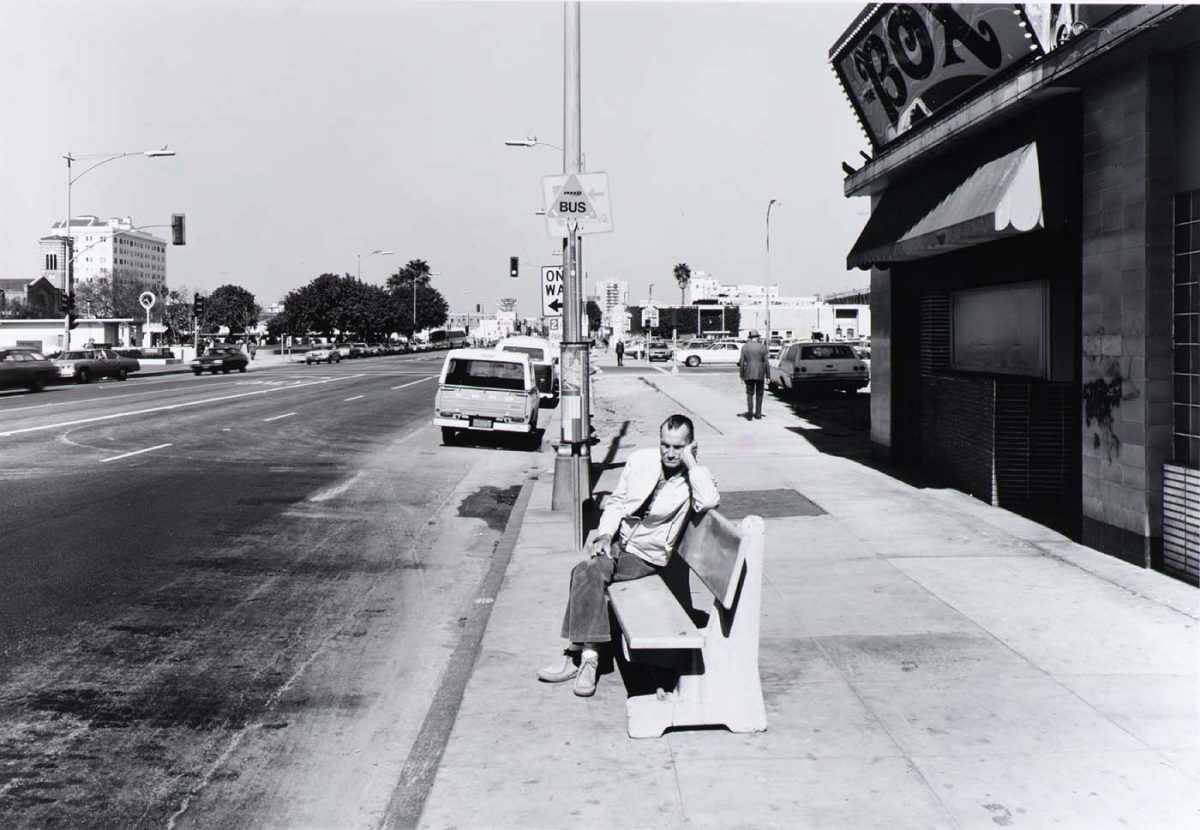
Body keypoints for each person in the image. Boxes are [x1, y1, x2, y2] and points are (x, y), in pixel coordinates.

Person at [537, 414, 720, 696]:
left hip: (646, 558)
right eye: (665, 445)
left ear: (690, 446)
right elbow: (618, 502)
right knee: (586, 571)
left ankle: (583, 656)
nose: (670, 453)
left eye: (678, 447)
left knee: (586, 572)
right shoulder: (640, 461)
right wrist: (605, 535)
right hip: (618, 544)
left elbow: (708, 500)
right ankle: (584, 654)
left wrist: (692, 463)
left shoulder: (693, 478)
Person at [738, 330, 770, 420]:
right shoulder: (763, 347)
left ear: (750, 338)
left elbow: (742, 362)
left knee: (749, 394)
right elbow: (766, 363)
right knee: (759, 394)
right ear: (757, 337)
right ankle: (758, 414)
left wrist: (741, 376)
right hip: (760, 373)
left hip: (748, 373)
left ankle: (750, 414)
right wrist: (768, 376)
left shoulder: (745, 347)